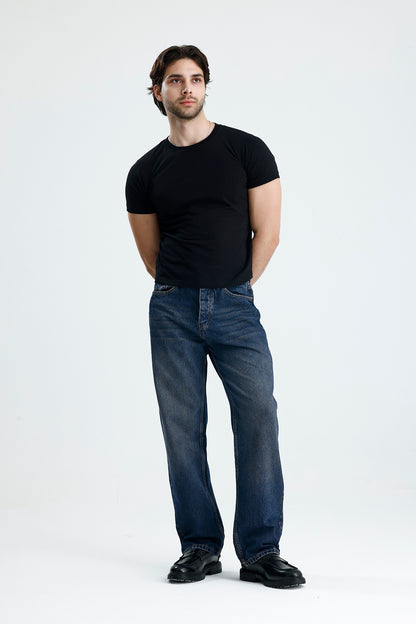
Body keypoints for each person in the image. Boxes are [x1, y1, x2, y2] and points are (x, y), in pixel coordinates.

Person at [125, 44, 305, 589]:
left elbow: (268, 233)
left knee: (258, 416)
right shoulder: (145, 171)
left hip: (234, 306)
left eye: (196, 79)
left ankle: (261, 550)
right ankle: (200, 547)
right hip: (172, 308)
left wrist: (233, 289)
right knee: (182, 428)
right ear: (157, 91)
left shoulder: (247, 151)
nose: (187, 88)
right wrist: (186, 291)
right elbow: (151, 255)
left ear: (206, 86)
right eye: (175, 80)